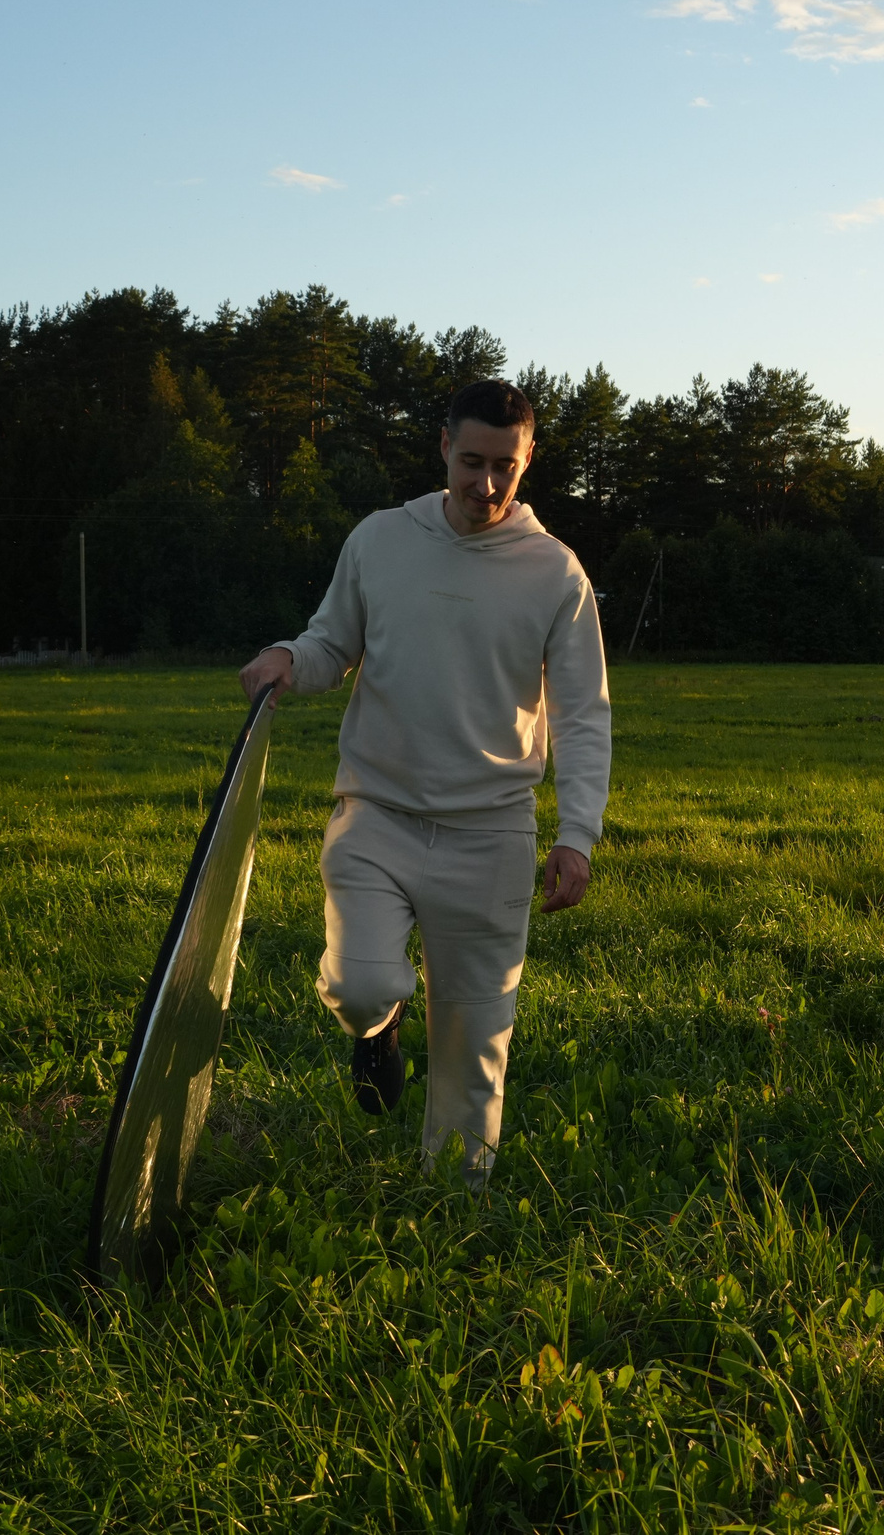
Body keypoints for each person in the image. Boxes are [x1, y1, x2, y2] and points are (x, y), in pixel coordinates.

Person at [238, 378, 612, 1185]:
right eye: (470, 461)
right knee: (359, 981)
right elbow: (330, 643)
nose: (485, 484)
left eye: (503, 468)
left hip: (493, 833)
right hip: (377, 813)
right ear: (442, 446)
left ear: (528, 459)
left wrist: (576, 834)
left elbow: (583, 715)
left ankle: (453, 1208)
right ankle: (378, 1029)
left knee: (475, 1044)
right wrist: (285, 659)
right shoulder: (380, 540)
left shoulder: (557, 572)